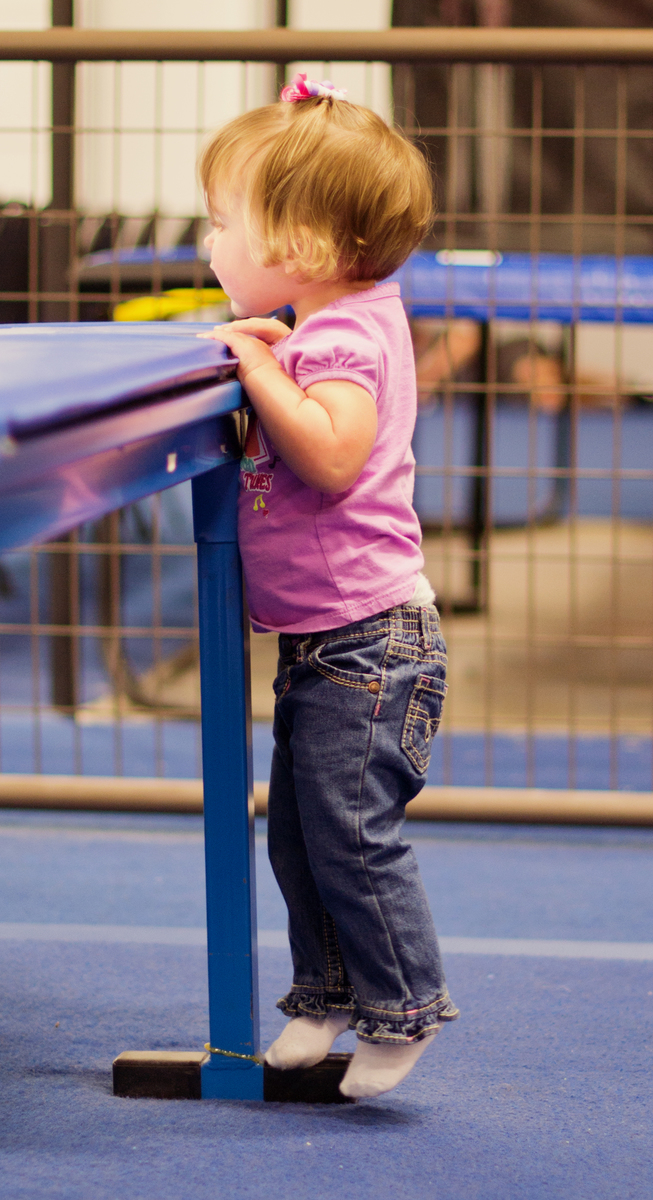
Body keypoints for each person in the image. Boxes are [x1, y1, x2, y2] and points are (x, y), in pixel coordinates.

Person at [197, 73, 458, 1100]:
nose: (208, 245)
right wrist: (274, 362)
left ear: (299, 247)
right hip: (328, 640)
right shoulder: (335, 324)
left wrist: (262, 376)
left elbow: (336, 455)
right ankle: (324, 996)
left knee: (349, 834)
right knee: (301, 834)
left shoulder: (342, 337)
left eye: (223, 225)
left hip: (369, 644)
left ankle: (402, 1009)